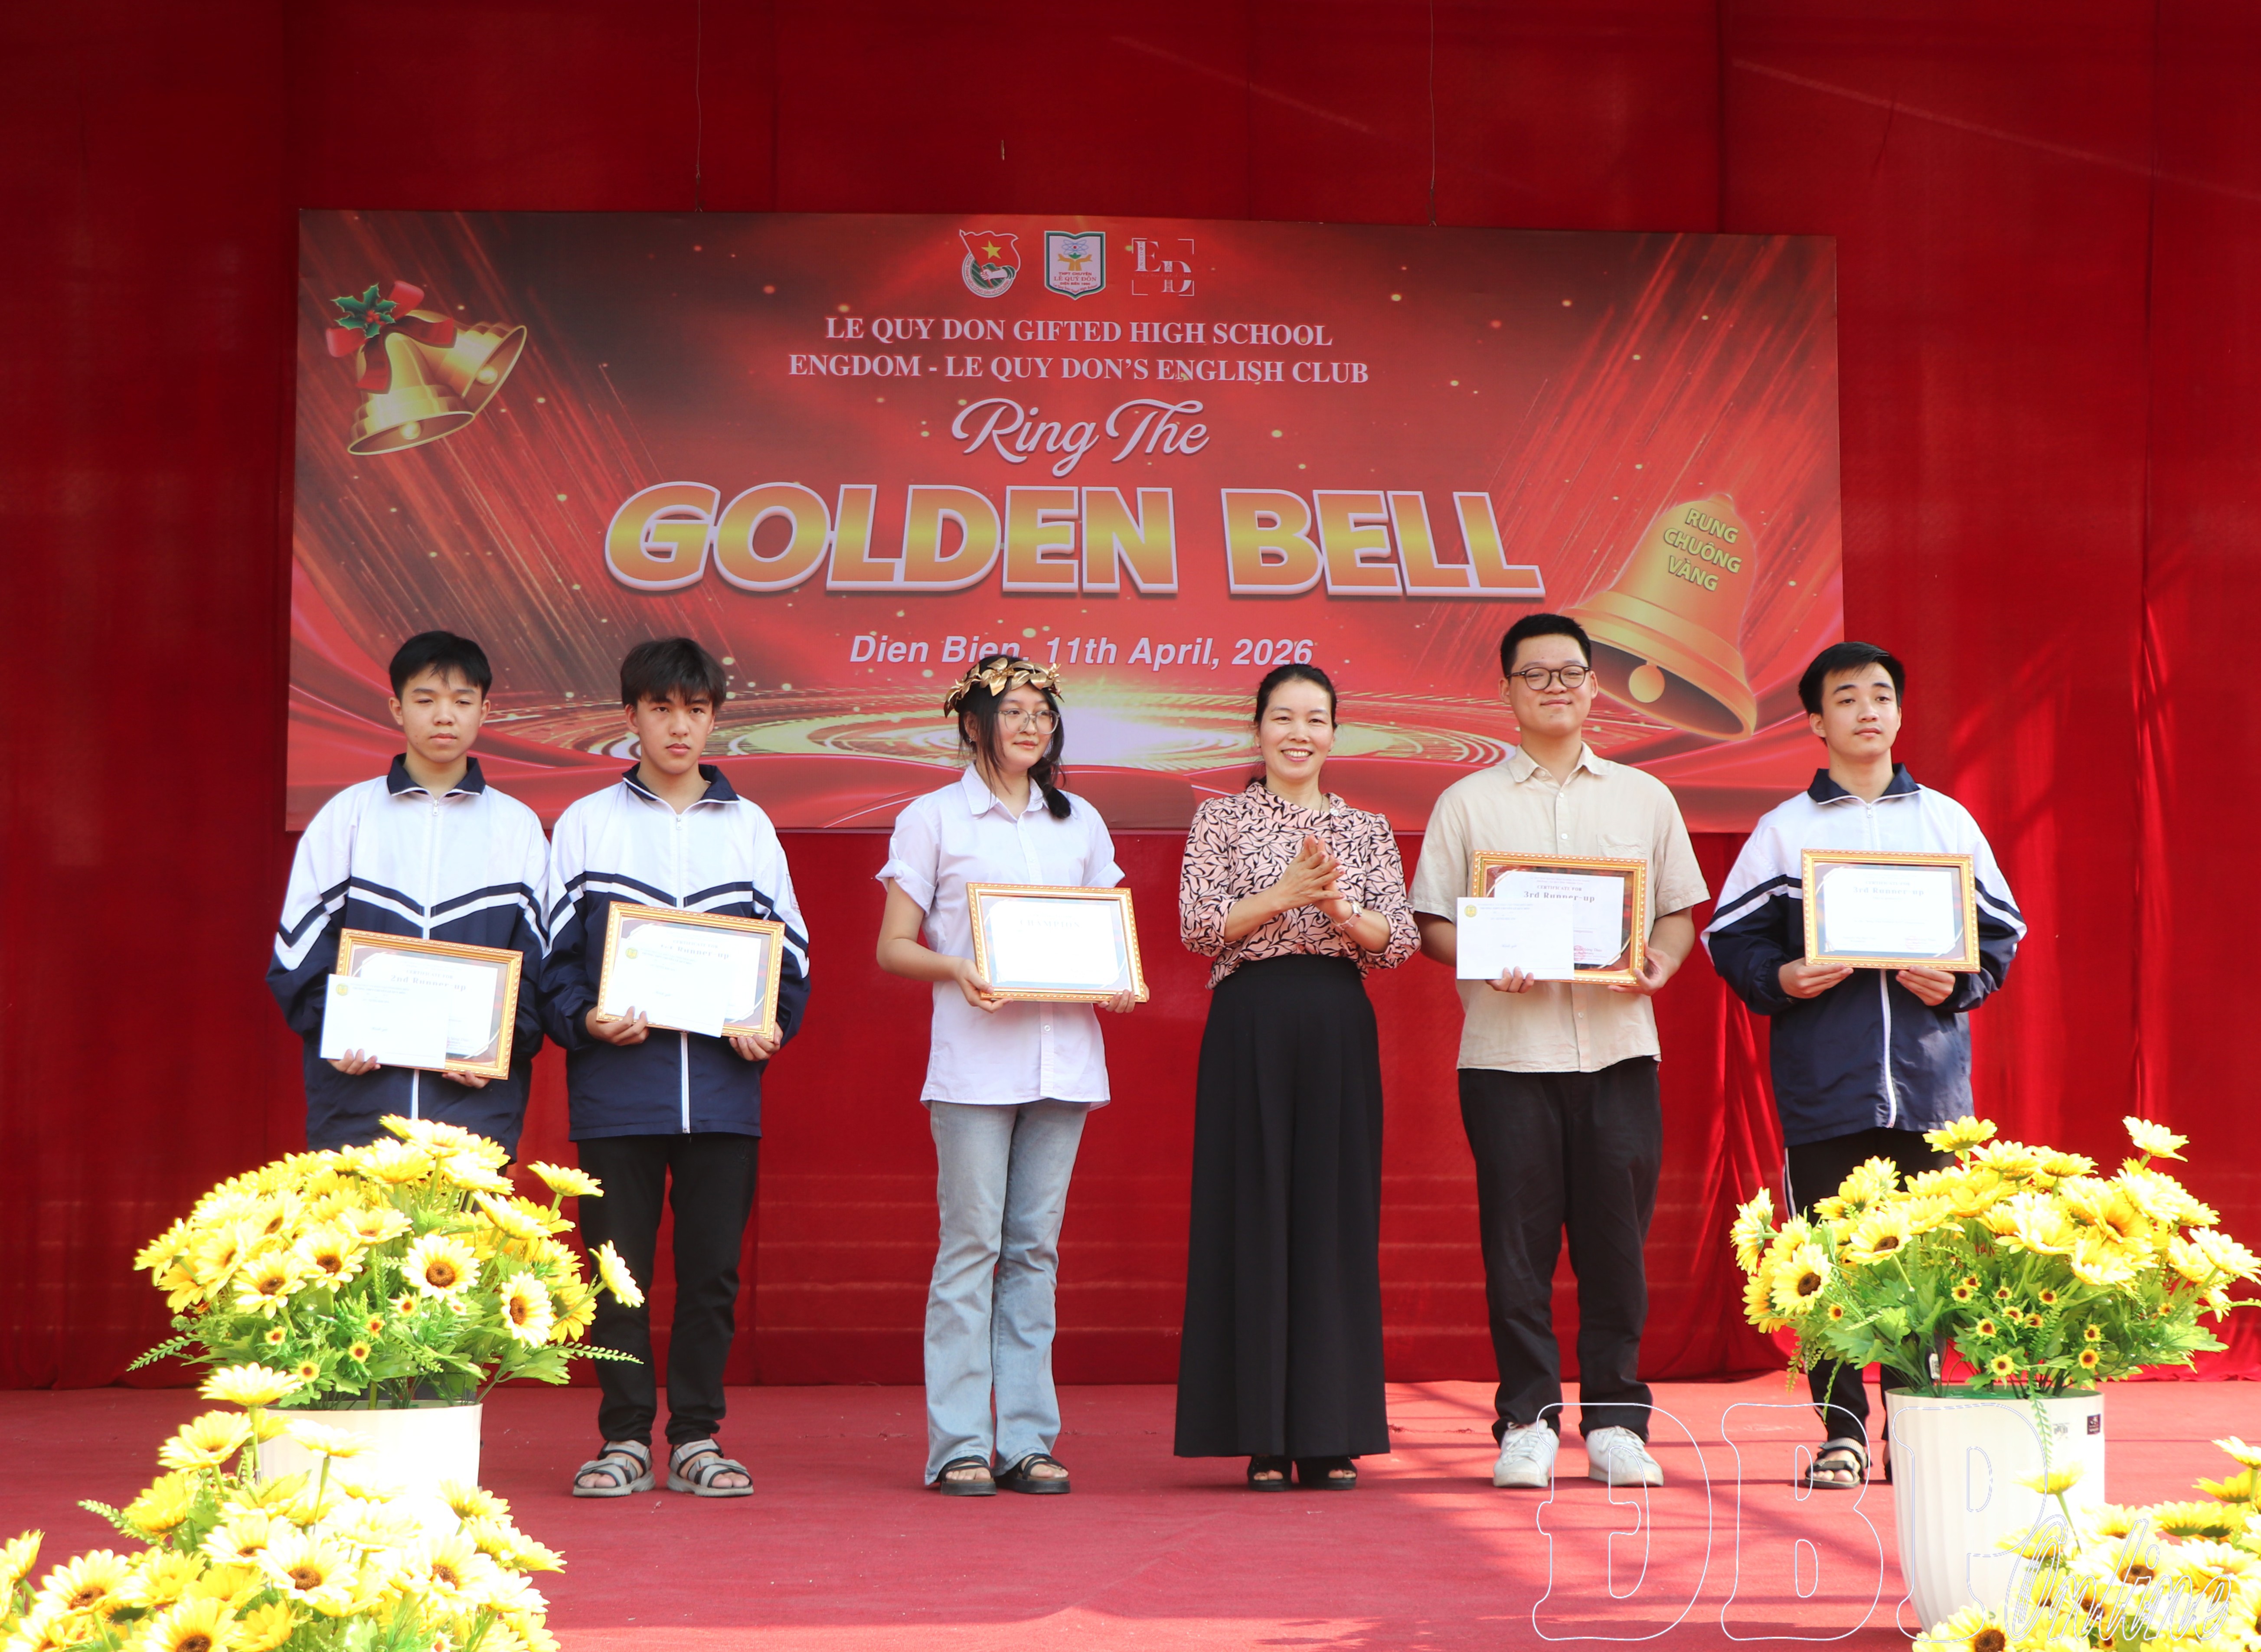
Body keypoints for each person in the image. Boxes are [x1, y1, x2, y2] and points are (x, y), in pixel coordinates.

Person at [1705, 640, 2022, 1489]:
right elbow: (1729, 938)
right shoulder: (1786, 832)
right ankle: (1841, 1433)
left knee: (1924, 1265)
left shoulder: (1945, 823)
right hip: (1825, 1087)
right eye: (1845, 698)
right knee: (1826, 1263)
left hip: (1928, 1087)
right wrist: (1779, 977)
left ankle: (1914, 1430)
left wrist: (1961, 982)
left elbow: (2001, 932)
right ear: (1816, 722)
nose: (1867, 711)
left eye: (1881, 695)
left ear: (1899, 713)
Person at [1410, 614, 1708, 1491]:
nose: (1554, 687)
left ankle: (1616, 1423)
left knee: (1617, 1251)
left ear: (1593, 686)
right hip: (1507, 1057)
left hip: (1618, 1052)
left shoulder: (1643, 797)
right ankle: (1526, 1422)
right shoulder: (1468, 803)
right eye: (1534, 674)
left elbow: (1677, 912)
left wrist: (1660, 963)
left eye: (1569, 672)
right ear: (1506, 690)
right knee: (1517, 1251)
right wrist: (1482, 954)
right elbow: (1430, 923)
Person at [541, 637, 810, 1500]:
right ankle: (622, 1439)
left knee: (711, 1277)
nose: (679, 727)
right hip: (617, 1093)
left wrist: (771, 1025)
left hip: (724, 1096)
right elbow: (552, 962)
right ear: (631, 716)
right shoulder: (586, 824)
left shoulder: (750, 828)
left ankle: (697, 1437)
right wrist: (585, 1019)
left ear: (714, 718)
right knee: (614, 1276)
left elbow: (791, 958)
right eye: (661, 709)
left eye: (695, 710)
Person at [875, 655, 1134, 1497]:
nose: (1031, 726)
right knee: (971, 1248)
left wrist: (1118, 977)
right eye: (1014, 711)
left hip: (1064, 1060)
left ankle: (1025, 1440)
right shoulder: (932, 819)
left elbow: (1108, 932)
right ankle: (958, 1443)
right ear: (972, 723)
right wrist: (957, 968)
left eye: (1043, 714)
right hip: (975, 1068)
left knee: (1033, 1251)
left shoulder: (1079, 822)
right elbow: (893, 946)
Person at [1174, 663, 1419, 1491]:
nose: (1298, 734)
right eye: (1282, 717)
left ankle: (1328, 1430)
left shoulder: (1366, 827)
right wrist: (1283, 894)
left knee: (1331, 1216)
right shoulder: (1220, 819)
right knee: (1251, 1211)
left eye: (1315, 719)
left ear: (1334, 734)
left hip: (1336, 1022)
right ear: (1256, 729)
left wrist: (1341, 911)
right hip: (1249, 1021)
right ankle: (1260, 1434)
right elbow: (1198, 927)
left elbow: (1396, 941)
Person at [268, 630, 547, 1157]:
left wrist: (499, 1046)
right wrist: (336, 1026)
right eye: (425, 700)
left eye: (462, 701)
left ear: (485, 712)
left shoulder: (518, 828)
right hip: (358, 1105)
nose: (444, 716)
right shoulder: (347, 817)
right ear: (397, 709)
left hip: (474, 1115)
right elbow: (298, 952)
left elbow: (538, 966)